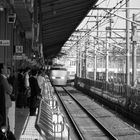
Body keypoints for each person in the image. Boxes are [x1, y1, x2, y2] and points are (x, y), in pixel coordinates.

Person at [0, 63, 13, 130]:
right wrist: (11, 86)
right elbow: (9, 90)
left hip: (3, 102)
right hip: (4, 103)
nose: (7, 70)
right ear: (2, 69)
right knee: (5, 121)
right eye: (5, 68)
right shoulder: (2, 78)